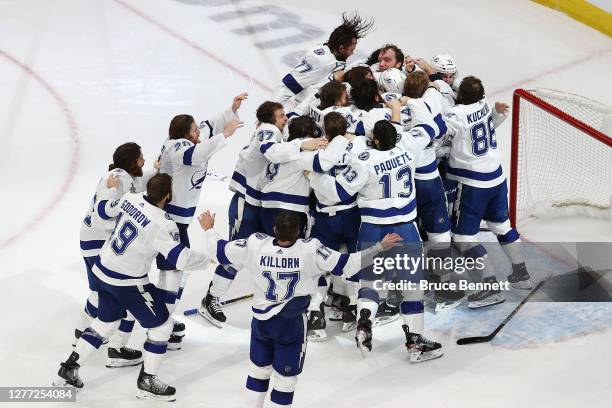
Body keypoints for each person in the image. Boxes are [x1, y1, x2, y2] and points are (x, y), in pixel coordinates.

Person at [199, 210, 402, 408]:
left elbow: (220, 251)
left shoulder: (255, 243)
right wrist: (379, 247)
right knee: (285, 381)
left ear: (273, 229)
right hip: (291, 325)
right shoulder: (311, 249)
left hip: (261, 323)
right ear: (298, 232)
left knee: (258, 372)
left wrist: (209, 229)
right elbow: (348, 264)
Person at [54, 174, 212, 401]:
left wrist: (109, 190)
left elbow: (102, 211)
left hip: (103, 269)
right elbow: (180, 259)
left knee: (105, 322)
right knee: (162, 326)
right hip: (126, 281)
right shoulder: (163, 223)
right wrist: (210, 260)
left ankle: (70, 367)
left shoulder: (130, 198)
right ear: (168, 195)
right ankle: (147, 381)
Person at [309, 99, 445, 362]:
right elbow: (432, 126)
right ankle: (416, 343)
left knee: (370, 283)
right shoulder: (407, 147)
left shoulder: (365, 159)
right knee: (412, 286)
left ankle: (365, 319)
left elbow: (337, 191)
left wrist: (313, 176)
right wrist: (410, 103)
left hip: (372, 230)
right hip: (406, 230)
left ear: (376, 141)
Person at [200, 101, 328, 327]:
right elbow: (272, 151)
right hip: (247, 202)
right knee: (239, 251)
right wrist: (303, 144)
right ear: (270, 119)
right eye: (281, 116)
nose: (285, 119)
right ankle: (212, 298)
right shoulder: (268, 130)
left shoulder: (274, 132)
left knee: (247, 251)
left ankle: (218, 296)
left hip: (258, 203)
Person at [156, 93, 245, 349]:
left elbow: (208, 126)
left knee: (175, 272)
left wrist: (231, 109)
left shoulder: (188, 138)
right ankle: (162, 324)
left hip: (177, 220)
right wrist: (224, 136)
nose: (199, 132)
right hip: (169, 221)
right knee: (172, 273)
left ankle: (164, 319)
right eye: (194, 130)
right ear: (185, 134)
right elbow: (196, 154)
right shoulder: (178, 147)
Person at [444, 76, 533, 308]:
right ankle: (521, 275)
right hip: (496, 177)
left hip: (472, 183)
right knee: (502, 226)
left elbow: (438, 133)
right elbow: (486, 123)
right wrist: (498, 113)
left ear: (460, 96)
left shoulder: (456, 114)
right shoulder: (485, 106)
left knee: (463, 239)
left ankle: (490, 288)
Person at [77, 142, 158, 367]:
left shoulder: (123, 176)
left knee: (102, 291)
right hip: (96, 241)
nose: (144, 160)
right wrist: (115, 194)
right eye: (141, 158)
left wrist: (154, 170)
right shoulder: (116, 179)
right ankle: (85, 332)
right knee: (101, 292)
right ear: (132, 162)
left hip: (97, 240)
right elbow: (102, 213)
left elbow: (136, 185)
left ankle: (86, 330)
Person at [273, 13, 373, 105]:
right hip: (304, 112)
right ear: (341, 48)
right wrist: (271, 115)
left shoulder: (331, 54)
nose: (352, 53)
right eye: (351, 49)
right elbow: (287, 86)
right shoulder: (321, 61)